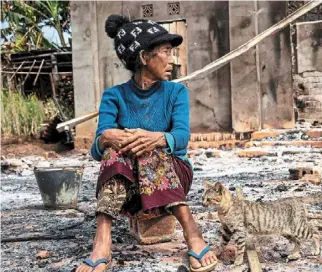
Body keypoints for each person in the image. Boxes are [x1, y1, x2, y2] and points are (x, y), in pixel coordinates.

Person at [76, 15, 218, 272]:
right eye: (165, 52)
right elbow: (96, 151)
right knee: (113, 151)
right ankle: (102, 240)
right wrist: (106, 138)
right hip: (129, 189)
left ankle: (192, 232)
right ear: (144, 57)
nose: (172, 59)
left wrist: (157, 138)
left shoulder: (176, 93)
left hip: (174, 176)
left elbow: (183, 137)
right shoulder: (114, 96)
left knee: (147, 149)